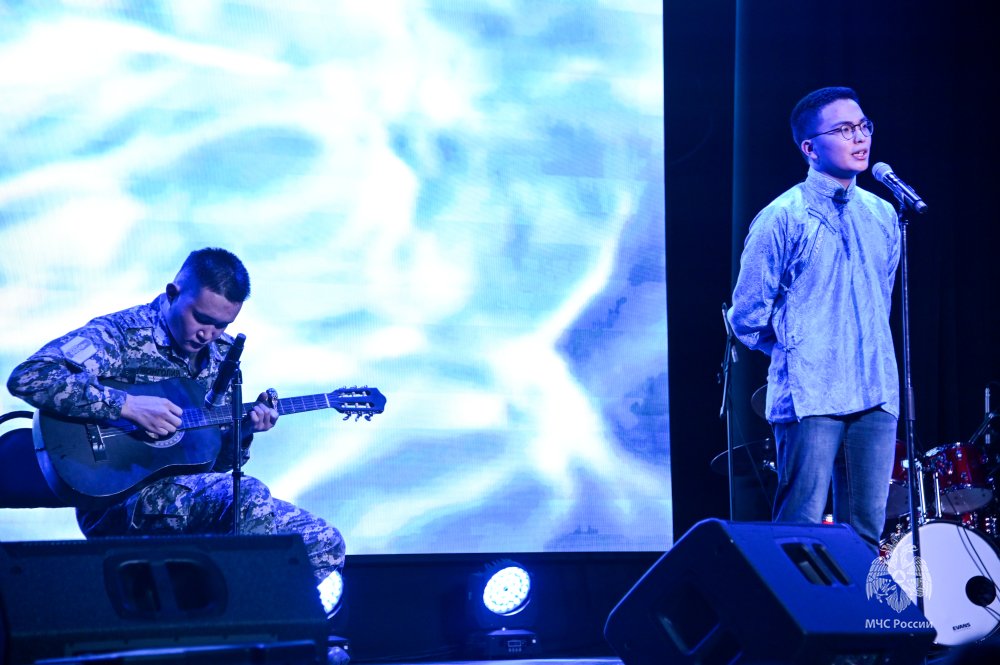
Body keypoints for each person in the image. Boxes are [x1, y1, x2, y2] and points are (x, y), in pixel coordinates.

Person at [6, 248, 347, 616]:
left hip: (189, 494)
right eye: (201, 318)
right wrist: (126, 405)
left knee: (325, 543)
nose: (208, 334)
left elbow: (214, 464)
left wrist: (244, 431)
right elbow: (30, 376)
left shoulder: (223, 357)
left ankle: (257, 627)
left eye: (222, 325)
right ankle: (239, 627)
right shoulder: (121, 334)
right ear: (173, 293)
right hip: (117, 500)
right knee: (247, 496)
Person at [727, 86, 900, 550]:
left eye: (863, 126)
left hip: (875, 390)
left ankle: (858, 603)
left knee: (866, 534)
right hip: (810, 394)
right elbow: (746, 315)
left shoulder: (883, 215)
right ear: (810, 148)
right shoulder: (782, 217)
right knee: (799, 531)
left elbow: (880, 297)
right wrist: (797, 345)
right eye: (844, 129)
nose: (859, 137)